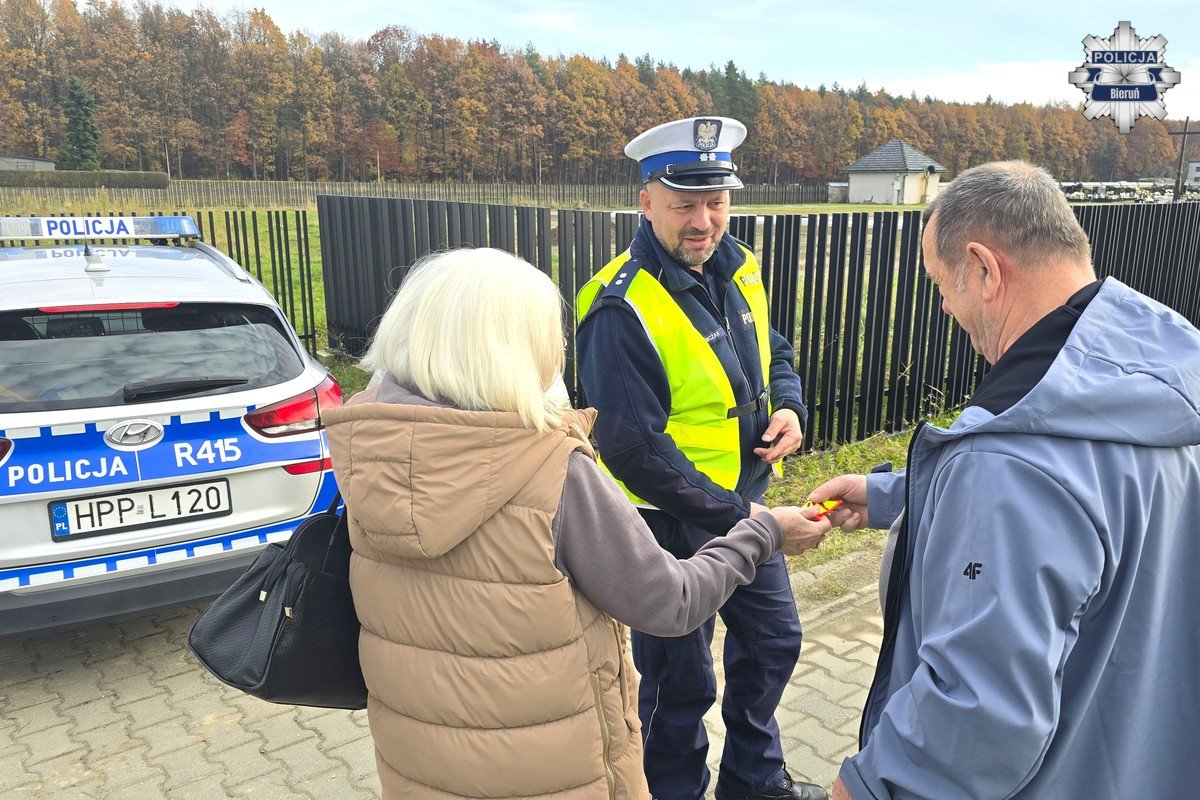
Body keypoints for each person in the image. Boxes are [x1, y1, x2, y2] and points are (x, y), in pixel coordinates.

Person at [322, 248, 833, 800]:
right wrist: (764, 532)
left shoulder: (368, 445)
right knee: (679, 683)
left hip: (420, 764)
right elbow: (669, 602)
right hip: (548, 767)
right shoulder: (549, 469)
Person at [810, 161, 1200, 800]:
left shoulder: (1008, 463)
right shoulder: (1156, 378)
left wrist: (870, 785)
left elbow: (980, 710)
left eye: (942, 285)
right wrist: (892, 492)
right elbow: (1098, 498)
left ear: (985, 269)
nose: (944, 307)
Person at [575, 117, 824, 800]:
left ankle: (752, 782)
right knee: (679, 685)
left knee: (774, 643)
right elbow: (630, 450)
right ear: (645, 200)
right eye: (684, 203)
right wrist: (746, 518)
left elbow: (775, 352)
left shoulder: (736, 265)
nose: (703, 220)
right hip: (669, 525)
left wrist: (790, 406)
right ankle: (671, 789)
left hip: (741, 508)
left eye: (715, 202)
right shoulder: (620, 306)